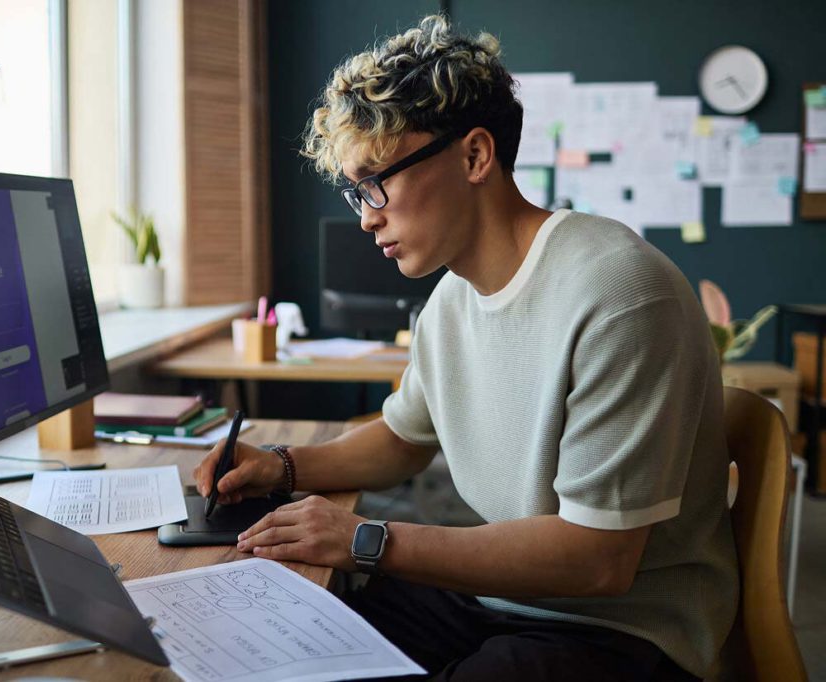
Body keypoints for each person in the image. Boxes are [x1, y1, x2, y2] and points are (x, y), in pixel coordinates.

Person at [194, 14, 737, 681]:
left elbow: (598, 560)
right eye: (353, 189)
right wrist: (279, 466)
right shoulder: (451, 300)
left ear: (475, 156)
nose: (365, 215)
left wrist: (366, 539)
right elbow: (401, 438)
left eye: (377, 181)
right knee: (288, 639)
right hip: (500, 599)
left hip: (619, 630)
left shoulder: (619, 292)